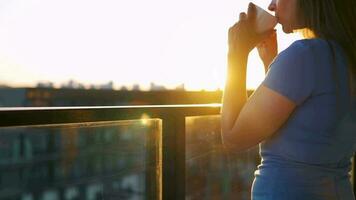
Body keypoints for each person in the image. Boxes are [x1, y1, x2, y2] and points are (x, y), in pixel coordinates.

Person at [220, 0, 356, 199]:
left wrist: (236, 54)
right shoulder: (345, 56)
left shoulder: (304, 54)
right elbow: (311, 128)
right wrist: (271, 64)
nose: (271, 6)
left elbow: (233, 138)